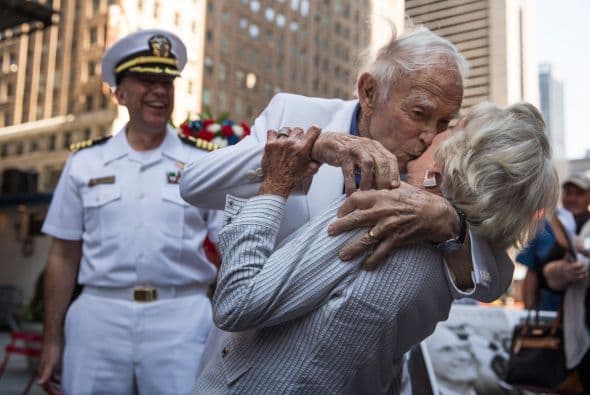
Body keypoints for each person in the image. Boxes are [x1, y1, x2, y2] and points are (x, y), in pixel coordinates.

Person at [192, 101, 558, 393]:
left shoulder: (384, 212)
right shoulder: (452, 246)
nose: (432, 134)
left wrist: (274, 186)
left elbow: (236, 303)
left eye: (451, 128)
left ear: (460, 158)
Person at [181, 24, 511, 303]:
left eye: (443, 123)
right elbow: (194, 185)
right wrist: (307, 149)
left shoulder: (436, 169)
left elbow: (492, 284)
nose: (430, 136)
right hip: (249, 355)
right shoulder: (296, 114)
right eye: (419, 114)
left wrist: (452, 225)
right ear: (369, 92)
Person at [38, 29, 223, 395]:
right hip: (98, 316)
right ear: (119, 93)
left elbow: (233, 248)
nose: (159, 90)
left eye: (167, 81)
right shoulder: (84, 162)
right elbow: (62, 256)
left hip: (181, 316)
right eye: (146, 80)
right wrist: (51, 339)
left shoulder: (203, 162)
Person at [517, 209, 577, 311]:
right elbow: (532, 273)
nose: (573, 198)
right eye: (568, 193)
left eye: (580, 194)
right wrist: (530, 312)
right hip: (547, 310)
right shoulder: (544, 228)